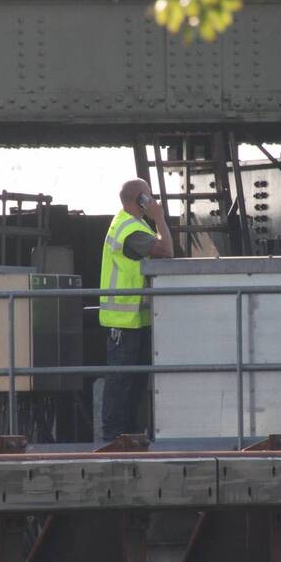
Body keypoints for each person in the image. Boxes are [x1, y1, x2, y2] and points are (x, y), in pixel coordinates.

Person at [99, 178, 174, 441]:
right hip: (124, 320)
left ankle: (128, 434)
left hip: (135, 319)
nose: (153, 201)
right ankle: (113, 436)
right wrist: (160, 218)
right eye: (149, 197)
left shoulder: (132, 224)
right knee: (121, 381)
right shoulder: (130, 229)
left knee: (134, 381)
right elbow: (166, 250)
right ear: (141, 199)